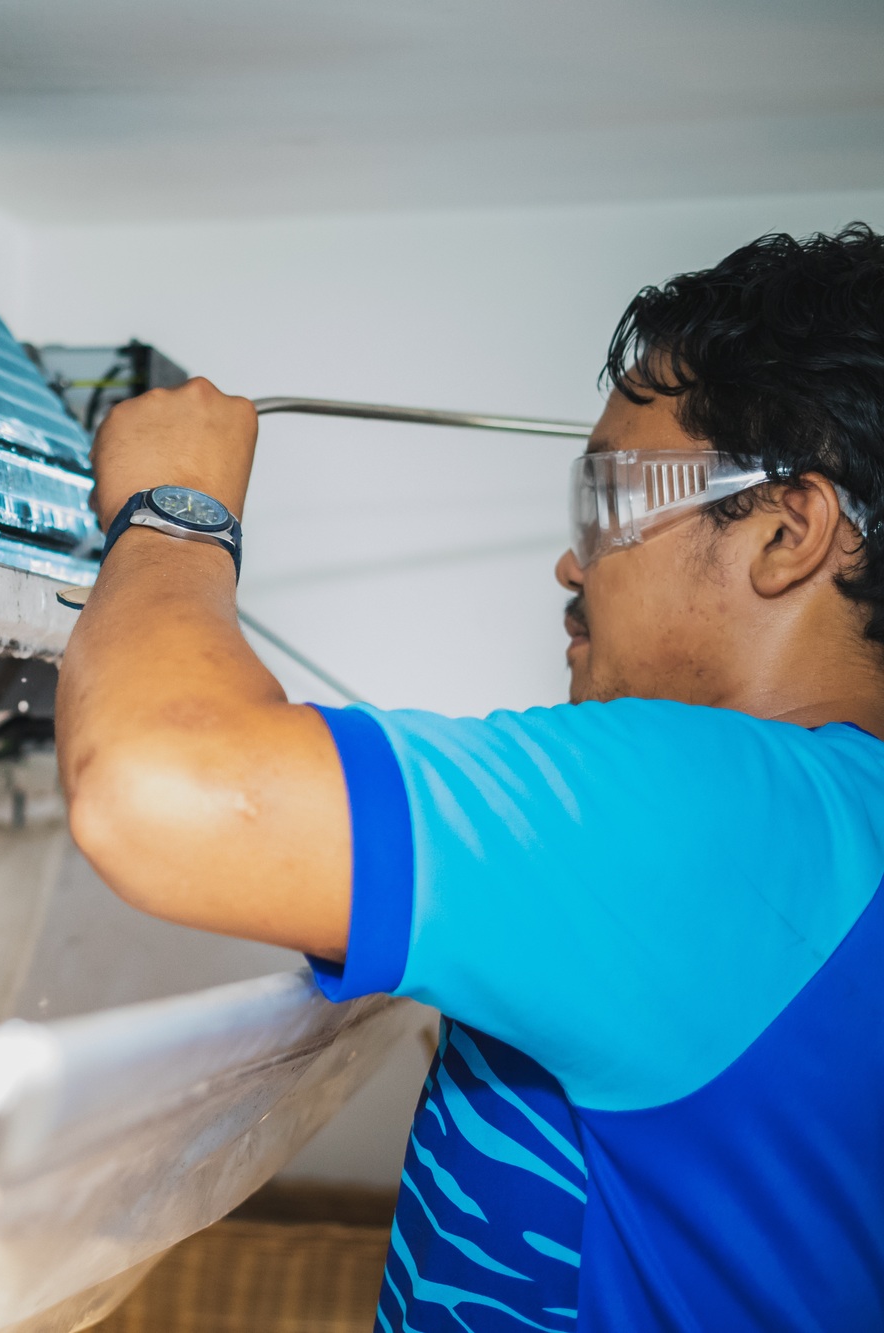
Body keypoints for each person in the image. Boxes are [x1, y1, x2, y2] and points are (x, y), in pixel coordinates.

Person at [57, 224, 884, 1331]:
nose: (568, 558)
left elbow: (158, 786)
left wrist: (171, 510)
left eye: (605, 500)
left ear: (786, 531)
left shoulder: (716, 816)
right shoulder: (836, 834)